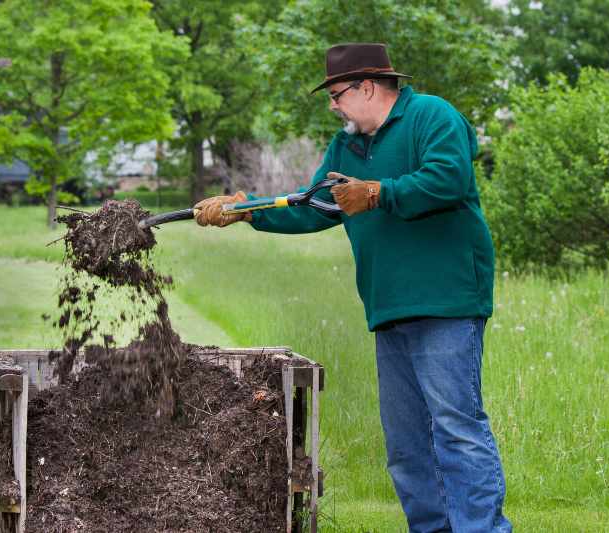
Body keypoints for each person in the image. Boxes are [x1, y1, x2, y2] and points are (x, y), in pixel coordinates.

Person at [193, 43, 511, 533]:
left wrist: (379, 191)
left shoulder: (431, 116)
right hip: (390, 307)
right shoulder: (347, 145)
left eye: (337, 94)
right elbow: (313, 205)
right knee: (405, 444)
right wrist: (245, 211)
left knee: (456, 430)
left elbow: (449, 178)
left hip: (447, 300)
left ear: (367, 87)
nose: (332, 105)